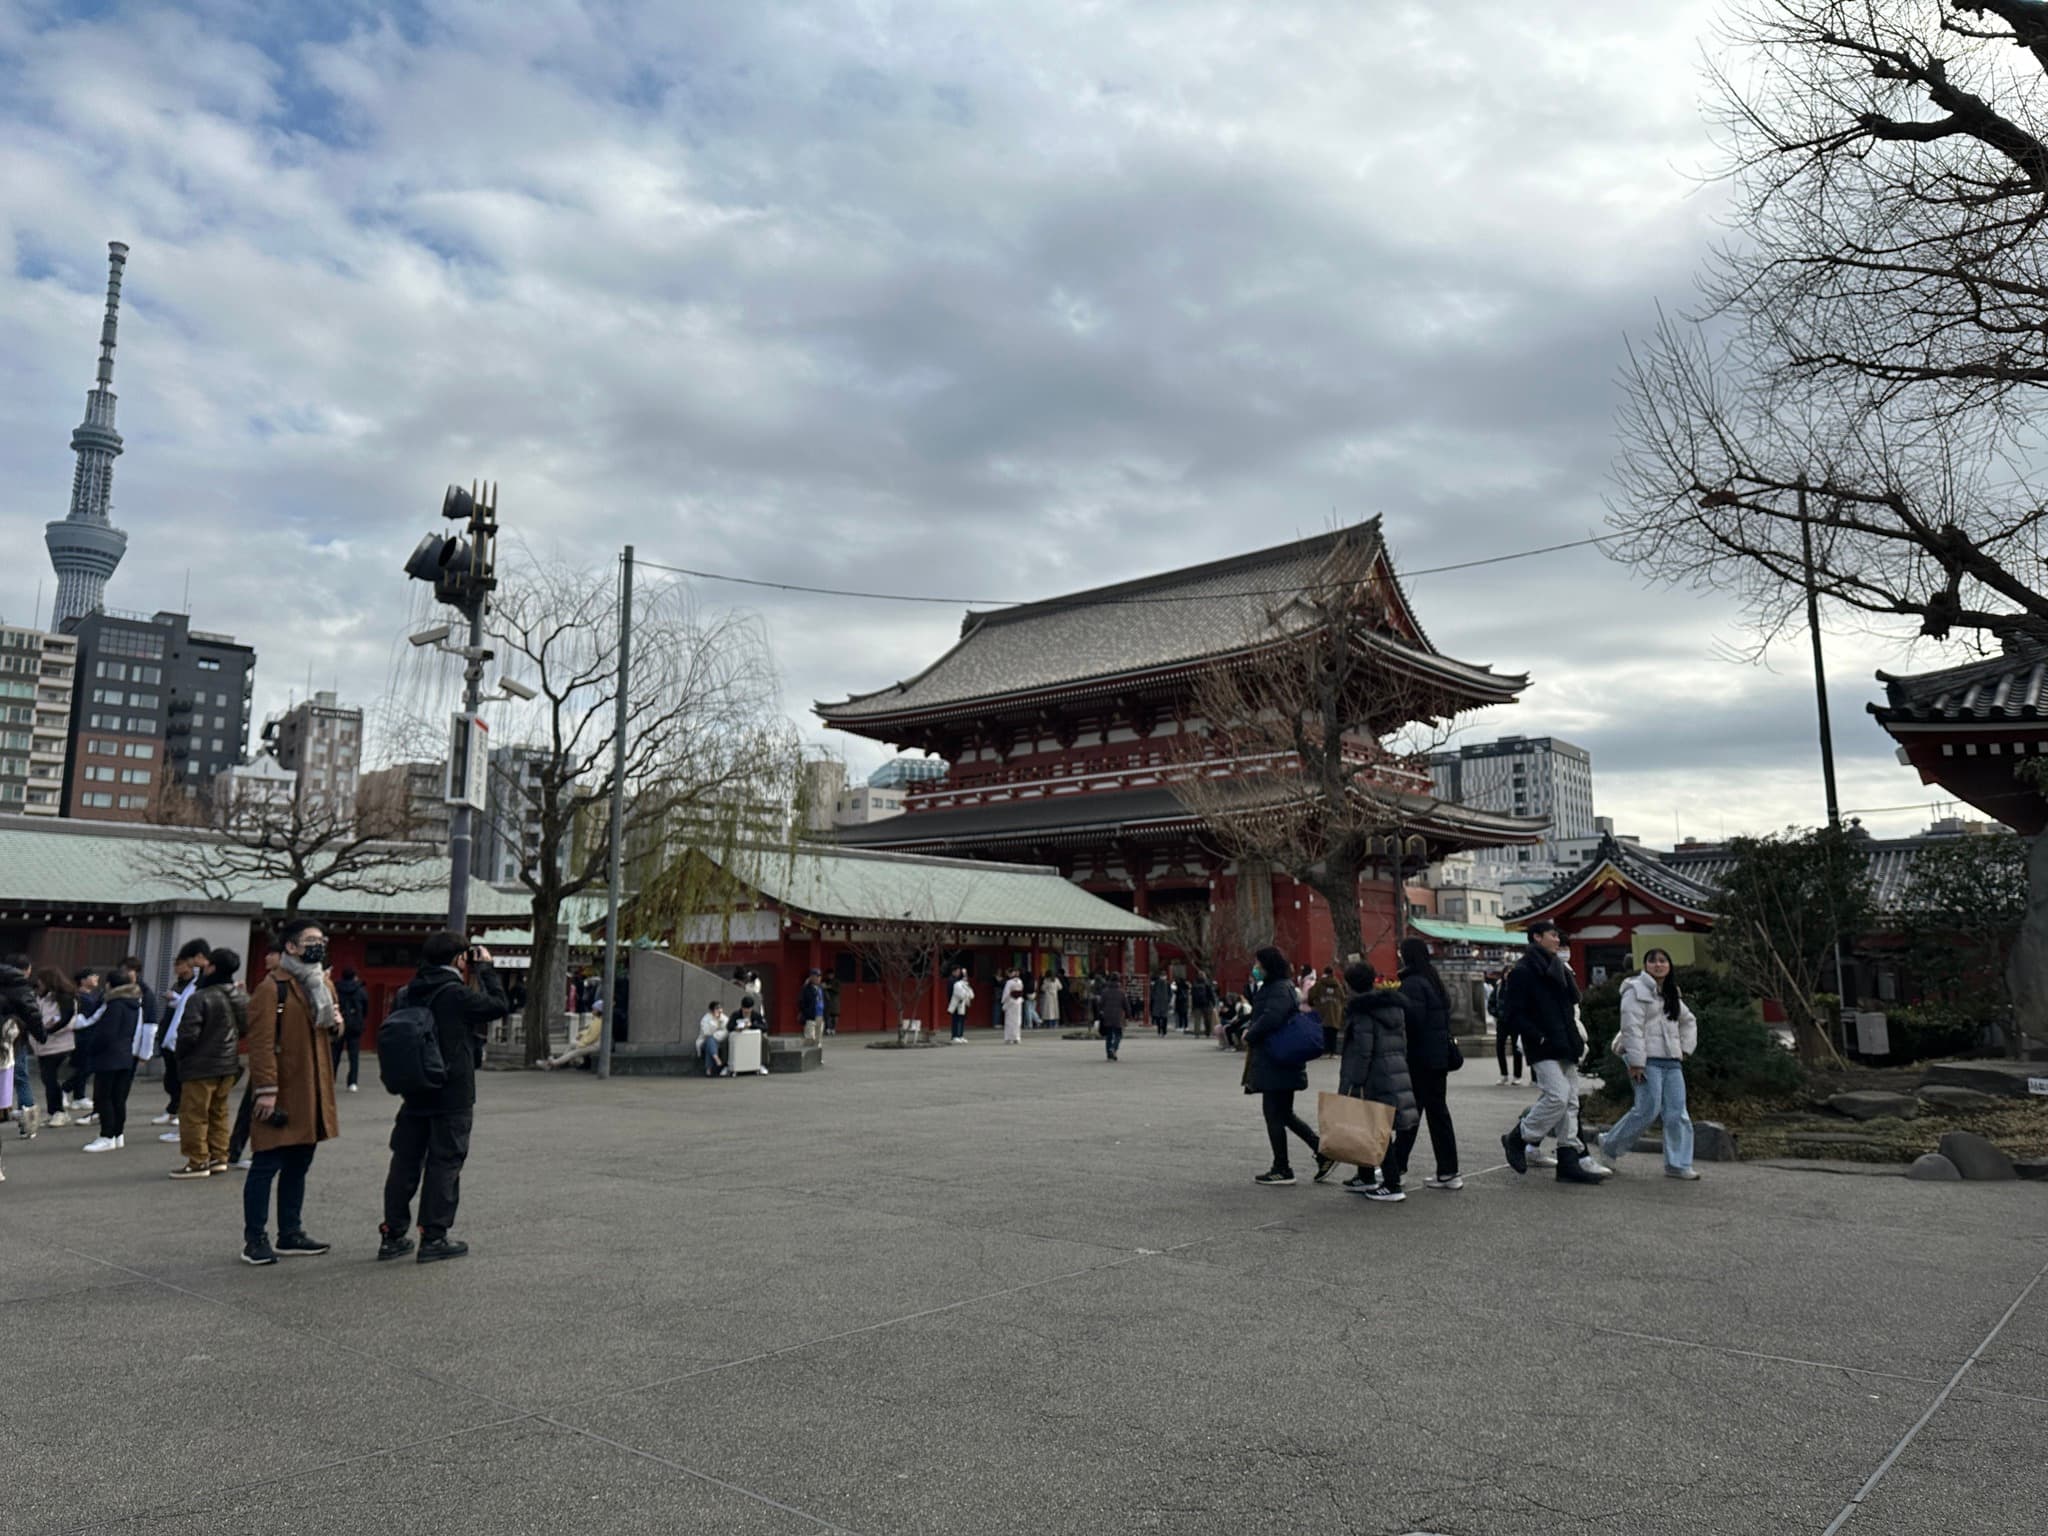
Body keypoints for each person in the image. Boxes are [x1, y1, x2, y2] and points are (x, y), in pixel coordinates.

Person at [379, 934, 508, 1264]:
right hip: (452, 1092)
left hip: (414, 1088)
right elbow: (498, 1005)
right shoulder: (456, 993)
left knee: (405, 1162)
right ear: (459, 959)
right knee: (445, 1162)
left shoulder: (408, 992)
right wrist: (486, 970)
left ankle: (392, 1234)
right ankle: (433, 1236)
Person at [242, 917, 342, 1266]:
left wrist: (337, 1024)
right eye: (311, 940)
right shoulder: (272, 988)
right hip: (282, 1088)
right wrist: (266, 1090)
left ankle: (290, 1231)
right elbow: (260, 1044)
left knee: (299, 1163)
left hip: (312, 1089)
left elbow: (329, 1030)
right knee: (266, 1163)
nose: (319, 946)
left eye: (322, 940)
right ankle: (255, 1238)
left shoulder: (322, 983)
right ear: (291, 946)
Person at [1499, 921, 1605, 1186]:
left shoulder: (1558, 967)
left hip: (1566, 1041)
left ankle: (1569, 1160)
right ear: (1537, 937)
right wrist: (1538, 1035)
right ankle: (1518, 1136)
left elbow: (1571, 1005)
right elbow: (1512, 1013)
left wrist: (1575, 1039)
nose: (1558, 940)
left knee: (1571, 1103)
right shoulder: (1523, 971)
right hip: (1542, 1044)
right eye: (1553, 935)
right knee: (1558, 1096)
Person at [1598, 949, 1702, 1180]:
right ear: (1645, 966)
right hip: (1646, 1060)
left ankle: (1678, 1164)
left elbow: (1688, 1020)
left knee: (1678, 1112)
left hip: (1671, 1060)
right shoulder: (1635, 990)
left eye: (1663, 961)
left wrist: (1685, 1049)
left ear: (1669, 965)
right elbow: (1631, 1027)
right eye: (1652, 961)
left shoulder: (1671, 992)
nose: (1658, 965)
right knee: (1647, 1109)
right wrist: (1636, 1062)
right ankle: (1610, 1145)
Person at [1244, 946, 1330, 1186]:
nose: (1255, 968)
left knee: (1274, 1114)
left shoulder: (1278, 989)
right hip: (1280, 1060)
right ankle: (1321, 1152)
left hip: (1277, 1060)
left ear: (1268, 966)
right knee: (1284, 1114)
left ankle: (1282, 1167)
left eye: (1258, 964)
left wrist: (1251, 1033)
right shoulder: (1281, 987)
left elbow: (1272, 1017)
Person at [1331, 961, 1417, 1200]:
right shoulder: (1393, 1007)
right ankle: (1366, 1175)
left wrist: (1355, 1081)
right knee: (1371, 1124)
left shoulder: (1362, 1011)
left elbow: (1363, 1050)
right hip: (1393, 1069)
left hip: (1372, 1075)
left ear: (1351, 985)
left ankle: (1391, 1184)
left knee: (1376, 1127)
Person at [1387, 938, 1461, 1193]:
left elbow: (1411, 1021)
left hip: (1420, 1058)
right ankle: (1448, 1170)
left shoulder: (1412, 984)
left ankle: (1397, 1168)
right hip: (1438, 1057)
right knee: (1436, 1113)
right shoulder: (1432, 980)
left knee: (1411, 1114)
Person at [170, 948, 245, 1178]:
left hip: (200, 1065)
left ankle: (197, 1160)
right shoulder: (241, 996)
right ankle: (219, 1156)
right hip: (229, 1063)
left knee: (194, 1114)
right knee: (219, 1112)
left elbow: (188, 1034)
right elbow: (246, 1027)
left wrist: (181, 1056)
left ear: (212, 967)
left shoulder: (200, 997)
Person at [77, 965, 142, 1153]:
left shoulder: (114, 1004)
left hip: (108, 1057)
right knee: (118, 1098)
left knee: (104, 1097)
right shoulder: (134, 1003)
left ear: (110, 985)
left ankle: (106, 1135)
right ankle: (117, 1134)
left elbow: (106, 1033)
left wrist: (92, 1047)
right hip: (125, 1054)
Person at [30, 969, 78, 1126]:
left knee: (49, 1078)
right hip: (42, 1045)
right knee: (47, 1079)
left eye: (41, 981)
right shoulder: (40, 998)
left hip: (58, 1045)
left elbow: (67, 1021)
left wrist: (48, 1029)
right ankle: (54, 1112)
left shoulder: (65, 998)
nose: (39, 984)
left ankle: (59, 1112)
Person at [332, 966, 369, 1093]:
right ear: (354, 976)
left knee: (335, 1054)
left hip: (339, 1024)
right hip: (355, 1025)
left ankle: (331, 1079)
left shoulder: (336, 988)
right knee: (353, 1056)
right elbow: (365, 1008)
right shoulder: (360, 990)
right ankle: (352, 1082)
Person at [1488, 971, 1522, 1085]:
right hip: (1502, 1022)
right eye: (1506, 972)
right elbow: (1491, 1002)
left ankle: (1517, 1075)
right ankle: (1504, 1074)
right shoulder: (1499, 987)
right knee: (1499, 1048)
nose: (1508, 975)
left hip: (1515, 1022)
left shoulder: (1518, 986)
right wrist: (1496, 1013)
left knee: (1517, 1049)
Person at [1309, 965, 1345, 1056]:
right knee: (1333, 1031)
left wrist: (1312, 1003)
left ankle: (1325, 1050)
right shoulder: (1338, 985)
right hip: (1335, 1011)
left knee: (1324, 1031)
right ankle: (1333, 1051)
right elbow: (1343, 997)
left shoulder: (1319, 984)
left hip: (1322, 1011)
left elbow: (1311, 994)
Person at [1092, 971, 1128, 1061]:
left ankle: (1109, 1054)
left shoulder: (1105, 992)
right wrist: (1128, 1015)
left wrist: (1100, 1013)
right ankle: (1114, 1048)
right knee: (1118, 1035)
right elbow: (1126, 1005)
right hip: (1117, 1017)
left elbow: (1100, 1004)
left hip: (1107, 1016)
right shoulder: (1121, 992)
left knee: (1109, 1035)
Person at [695, 1002, 728, 1076]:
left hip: (719, 1041)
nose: (719, 1010)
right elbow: (706, 1032)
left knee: (710, 1043)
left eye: (720, 1008)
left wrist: (715, 1036)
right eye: (717, 1008)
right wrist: (715, 1024)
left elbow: (725, 1031)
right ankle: (716, 1057)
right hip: (704, 1041)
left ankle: (708, 1069)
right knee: (710, 1040)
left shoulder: (724, 1018)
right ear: (712, 1010)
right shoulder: (706, 1019)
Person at [799, 968, 828, 1042]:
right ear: (811, 977)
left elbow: (826, 1000)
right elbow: (801, 1001)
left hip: (821, 1015)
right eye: (816, 976)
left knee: (819, 1037)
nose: (818, 978)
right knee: (810, 1038)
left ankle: (817, 1047)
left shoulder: (821, 989)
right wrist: (806, 1012)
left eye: (819, 976)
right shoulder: (806, 989)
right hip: (811, 1016)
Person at [947, 968, 974, 1043]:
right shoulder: (953, 981)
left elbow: (969, 992)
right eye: (957, 972)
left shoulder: (962, 982)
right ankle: (954, 1036)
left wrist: (967, 995)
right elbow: (955, 993)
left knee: (962, 1019)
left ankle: (960, 1035)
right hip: (956, 1002)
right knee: (956, 1019)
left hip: (962, 1003)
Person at [1191, 971, 1217, 1038]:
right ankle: (1207, 1033)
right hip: (1206, 1004)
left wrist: (1192, 1006)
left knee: (1197, 1020)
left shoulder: (1195, 983)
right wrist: (1214, 1003)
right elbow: (1211, 994)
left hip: (1197, 1005)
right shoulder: (1207, 983)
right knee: (1207, 1020)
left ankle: (1197, 1033)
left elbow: (1193, 995)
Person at [1001, 971, 1025, 1044]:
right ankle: (1017, 1037)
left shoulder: (1009, 982)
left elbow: (1006, 993)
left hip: (1011, 1001)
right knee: (1017, 1020)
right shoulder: (1020, 981)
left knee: (1009, 1020)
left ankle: (1009, 1038)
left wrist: (1003, 1001)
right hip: (1018, 1001)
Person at [1149, 971, 1171, 1037]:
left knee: (1164, 1018)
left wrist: (1168, 999)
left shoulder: (1167, 984)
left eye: (1164, 976)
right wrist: (1154, 998)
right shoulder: (1156, 983)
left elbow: (1170, 993)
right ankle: (1159, 1030)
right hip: (1158, 1003)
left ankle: (1164, 1031)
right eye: (1162, 976)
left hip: (1164, 1002)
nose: (1163, 977)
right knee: (1158, 1018)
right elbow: (1152, 992)